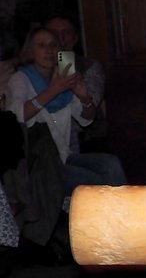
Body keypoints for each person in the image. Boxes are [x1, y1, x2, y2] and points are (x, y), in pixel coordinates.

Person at [3, 27, 125, 194]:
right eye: (41, 45)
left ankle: (123, 210)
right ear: (31, 50)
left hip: (64, 156)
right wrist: (53, 90)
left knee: (111, 165)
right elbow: (18, 115)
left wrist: (84, 98)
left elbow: (85, 119)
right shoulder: (21, 78)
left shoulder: (62, 76)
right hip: (38, 164)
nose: (49, 51)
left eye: (53, 45)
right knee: (93, 183)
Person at [46, 13, 108, 149]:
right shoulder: (33, 69)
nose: (60, 38)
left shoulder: (88, 66)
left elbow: (87, 108)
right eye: (54, 33)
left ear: (75, 38)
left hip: (83, 139)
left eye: (66, 33)